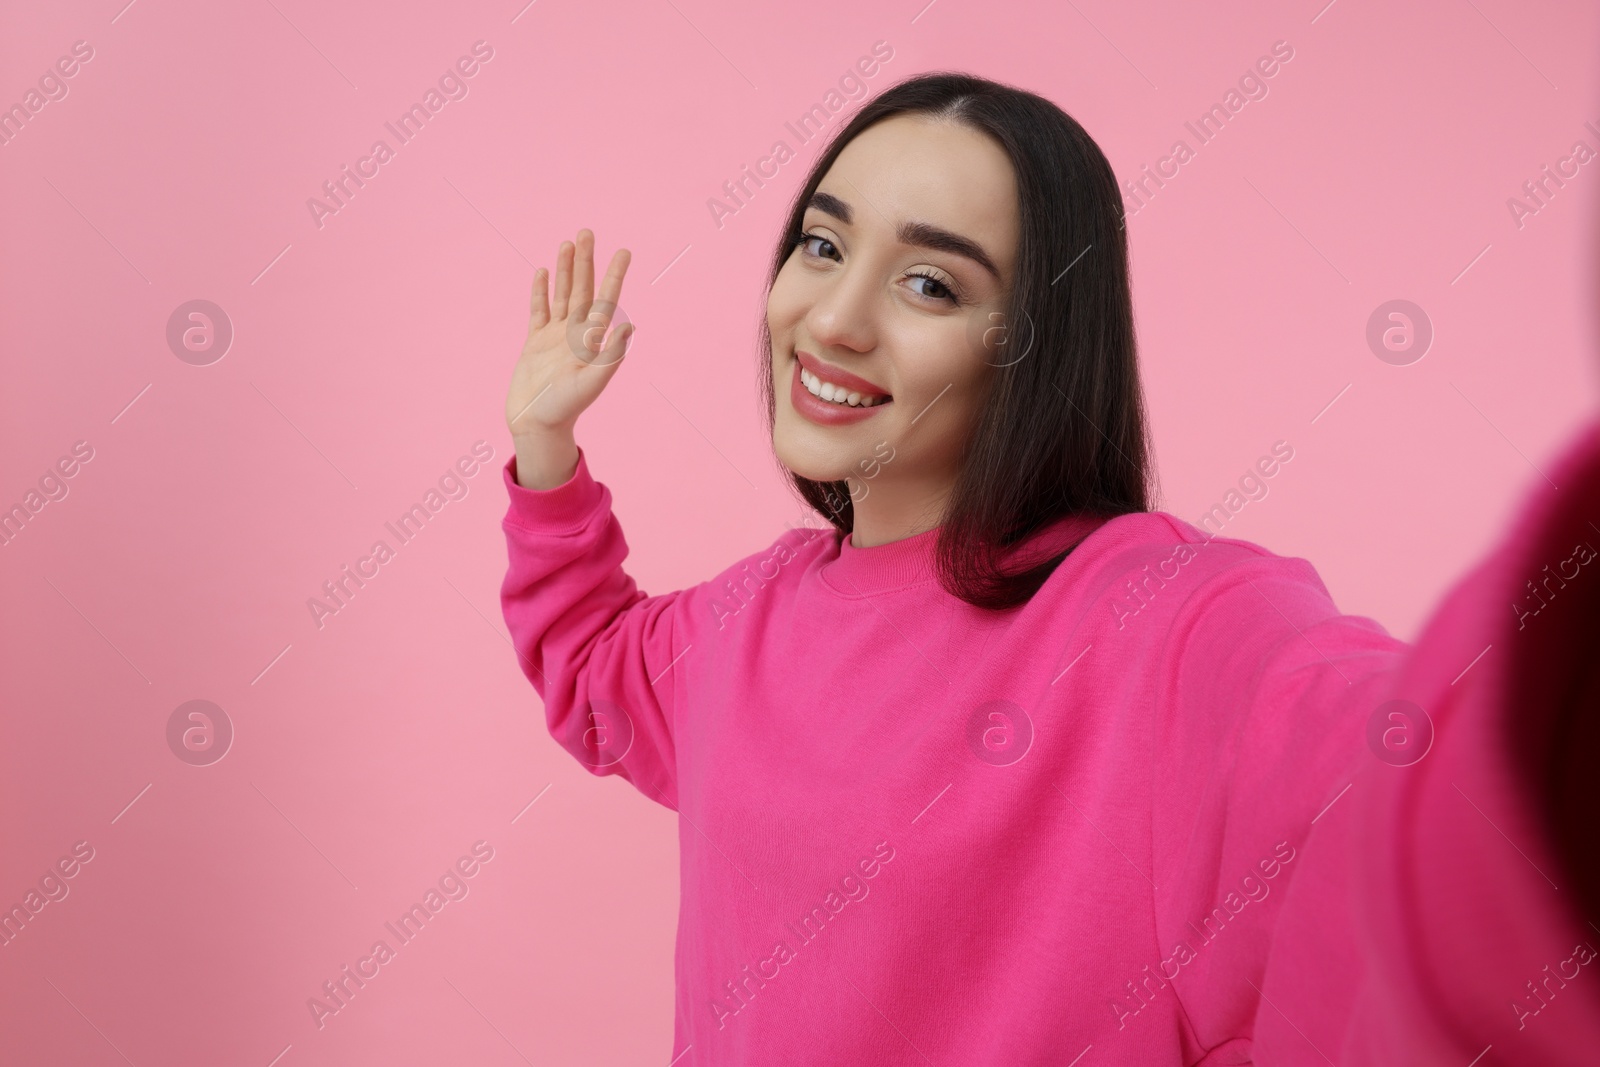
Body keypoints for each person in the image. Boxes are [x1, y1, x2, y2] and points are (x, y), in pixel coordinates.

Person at [496, 72, 1600, 1065]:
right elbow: (594, 667)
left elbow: (1419, 755)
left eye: (929, 284)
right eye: (824, 246)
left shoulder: (1162, 620)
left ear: (1031, 341)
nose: (831, 318)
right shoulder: (746, 617)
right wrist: (547, 456)